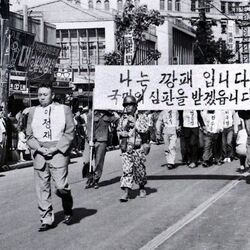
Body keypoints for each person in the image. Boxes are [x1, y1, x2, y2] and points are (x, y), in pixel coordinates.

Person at [26, 82, 75, 232]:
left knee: (61, 186)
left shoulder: (64, 109)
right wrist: (39, 148)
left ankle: (67, 206)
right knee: (42, 188)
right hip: (40, 153)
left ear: (52, 95)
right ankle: (46, 219)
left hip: (58, 152)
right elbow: (29, 135)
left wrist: (56, 148)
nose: (41, 97)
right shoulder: (33, 112)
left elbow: (69, 132)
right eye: (39, 95)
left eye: (45, 95)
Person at [117, 95, 151, 202]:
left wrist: (135, 123)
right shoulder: (122, 118)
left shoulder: (142, 117)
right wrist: (123, 133)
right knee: (126, 170)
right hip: (126, 148)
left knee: (139, 169)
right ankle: (126, 192)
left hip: (138, 147)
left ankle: (141, 187)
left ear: (135, 106)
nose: (127, 107)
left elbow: (145, 129)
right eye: (126, 105)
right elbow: (118, 130)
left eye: (130, 105)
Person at [83, 109, 119, 189]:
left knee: (99, 161)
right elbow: (89, 128)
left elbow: (118, 121)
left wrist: (115, 113)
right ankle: (89, 177)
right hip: (90, 141)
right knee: (87, 160)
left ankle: (96, 180)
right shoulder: (91, 115)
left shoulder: (108, 115)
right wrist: (90, 139)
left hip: (102, 140)